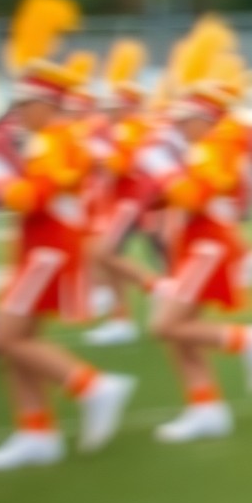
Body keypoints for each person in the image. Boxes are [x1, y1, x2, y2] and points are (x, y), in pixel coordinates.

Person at [0, 59, 137, 471]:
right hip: (47, 246)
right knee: (20, 342)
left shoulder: (51, 139)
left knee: (6, 337)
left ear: (46, 104)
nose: (19, 112)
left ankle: (92, 386)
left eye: (25, 103)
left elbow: (34, 197)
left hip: (45, 248)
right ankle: (35, 431)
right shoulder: (61, 136)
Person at [143, 83, 252, 443]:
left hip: (207, 246)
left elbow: (192, 198)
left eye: (186, 119)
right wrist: (162, 188)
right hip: (195, 244)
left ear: (204, 120)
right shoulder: (206, 148)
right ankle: (205, 408)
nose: (180, 126)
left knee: (164, 326)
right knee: (180, 333)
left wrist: (162, 171)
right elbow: (178, 195)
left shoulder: (212, 148)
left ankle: (247, 339)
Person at [83, 54, 158, 347]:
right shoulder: (121, 128)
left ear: (129, 105)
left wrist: (92, 155)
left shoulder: (132, 128)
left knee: (102, 254)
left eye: (115, 106)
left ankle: (157, 288)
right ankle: (120, 318)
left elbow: (120, 166)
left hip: (130, 201)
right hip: (119, 201)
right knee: (105, 258)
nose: (109, 112)